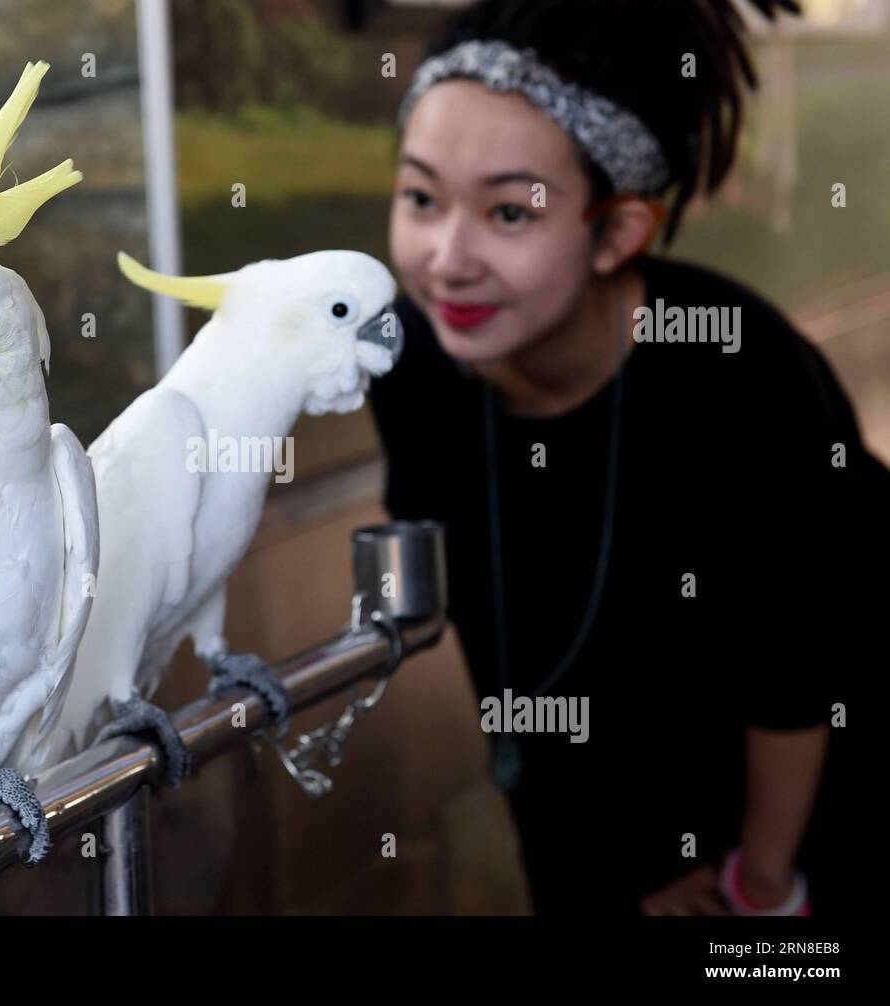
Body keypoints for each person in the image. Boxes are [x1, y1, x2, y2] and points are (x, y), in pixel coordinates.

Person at [370, 0, 888, 915]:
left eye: (507, 212)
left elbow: (802, 668)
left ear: (616, 234)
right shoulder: (416, 361)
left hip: (802, 827)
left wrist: (758, 883)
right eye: (421, 198)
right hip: (582, 829)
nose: (447, 259)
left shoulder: (741, 377)